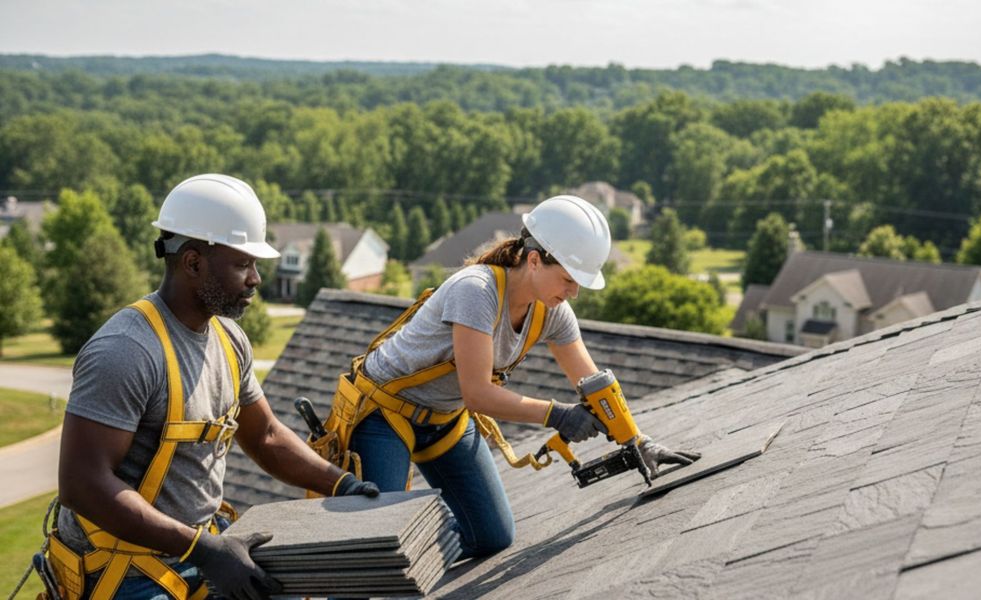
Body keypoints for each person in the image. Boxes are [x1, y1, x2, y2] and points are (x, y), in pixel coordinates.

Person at [315, 195, 698, 560]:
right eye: (568, 279)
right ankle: (389, 555)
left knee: (491, 536)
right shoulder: (476, 291)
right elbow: (478, 394)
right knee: (379, 543)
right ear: (534, 260)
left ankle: (415, 552)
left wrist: (638, 441)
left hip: (444, 418)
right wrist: (558, 415)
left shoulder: (552, 312)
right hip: (384, 415)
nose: (574, 293)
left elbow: (593, 383)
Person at [51, 174, 379, 600]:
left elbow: (265, 436)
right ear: (193, 263)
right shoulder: (127, 350)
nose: (256, 279)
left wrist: (341, 484)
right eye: (243, 264)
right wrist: (203, 550)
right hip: (125, 572)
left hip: (199, 551)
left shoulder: (229, 339)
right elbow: (82, 484)